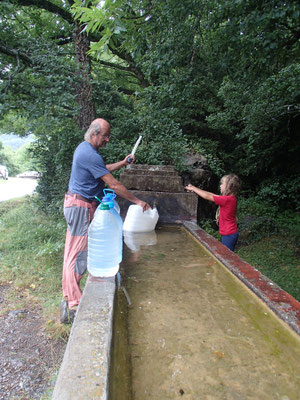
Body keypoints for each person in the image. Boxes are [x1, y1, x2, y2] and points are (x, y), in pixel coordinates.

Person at [60, 118, 150, 323]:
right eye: (105, 135)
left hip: (76, 205)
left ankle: (68, 298)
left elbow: (103, 168)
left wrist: (123, 162)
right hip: (81, 207)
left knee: (71, 254)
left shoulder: (87, 151)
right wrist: (137, 201)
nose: (108, 139)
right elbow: (114, 185)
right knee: (78, 256)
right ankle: (74, 306)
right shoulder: (89, 154)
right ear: (94, 134)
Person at [185, 174, 241, 252]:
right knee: (226, 255)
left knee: (226, 256)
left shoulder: (227, 200)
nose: (220, 186)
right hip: (229, 234)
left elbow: (207, 196)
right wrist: (194, 188)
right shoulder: (230, 198)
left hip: (229, 234)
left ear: (229, 186)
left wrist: (193, 188)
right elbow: (211, 194)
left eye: (222, 184)